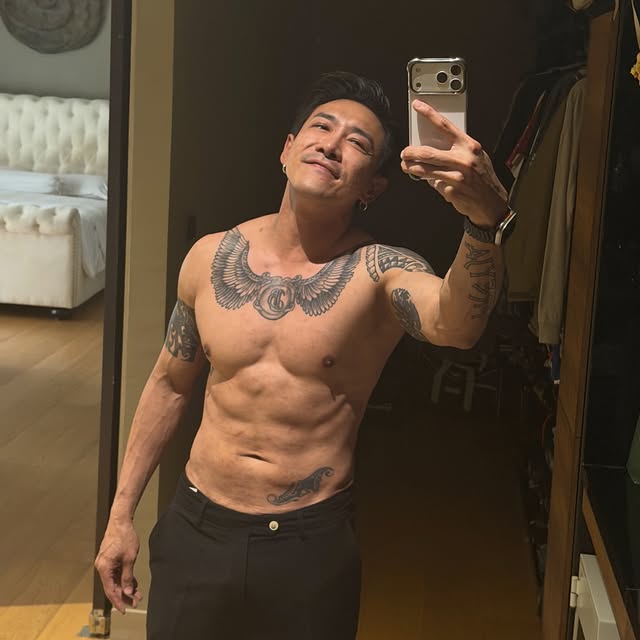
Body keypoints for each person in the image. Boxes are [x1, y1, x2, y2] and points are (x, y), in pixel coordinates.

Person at [95, 71, 512, 640]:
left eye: (358, 143)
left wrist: (483, 222)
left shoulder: (379, 273)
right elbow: (169, 384)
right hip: (197, 527)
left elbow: (456, 325)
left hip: (307, 544)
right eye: (321, 127)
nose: (333, 145)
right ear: (287, 149)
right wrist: (120, 516)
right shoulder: (209, 258)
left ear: (373, 188)